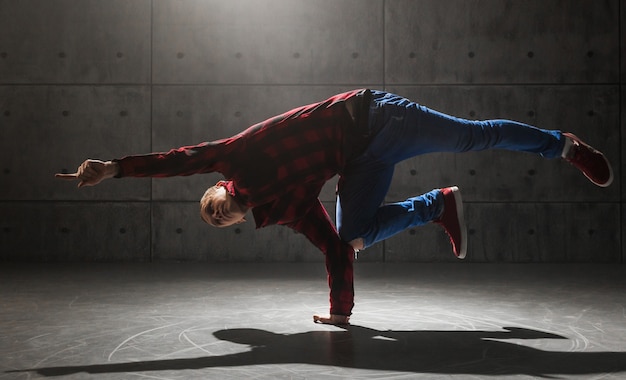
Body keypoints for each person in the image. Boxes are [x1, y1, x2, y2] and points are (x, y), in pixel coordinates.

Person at [56, 89, 613, 325]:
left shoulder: (237, 157)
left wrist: (117, 167)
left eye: (215, 206)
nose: (221, 214)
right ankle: (436, 205)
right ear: (233, 224)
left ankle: (562, 145)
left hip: (372, 120)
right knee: (350, 236)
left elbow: (181, 158)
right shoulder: (288, 207)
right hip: (361, 164)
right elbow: (331, 250)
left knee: (473, 137)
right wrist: (341, 314)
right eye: (220, 223)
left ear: (220, 189)